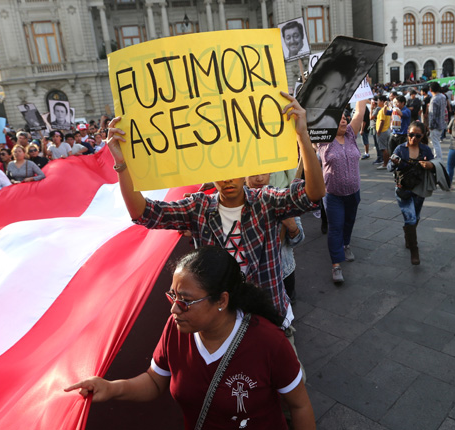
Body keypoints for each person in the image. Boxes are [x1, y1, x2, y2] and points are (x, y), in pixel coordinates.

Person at [105, 91, 325, 335]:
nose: (227, 178)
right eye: (220, 170)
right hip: (219, 328)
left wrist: (302, 136)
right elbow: (144, 214)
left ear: (246, 168)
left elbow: (312, 194)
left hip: (269, 320)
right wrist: (121, 164)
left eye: (234, 168)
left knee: (292, 374)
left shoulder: (267, 201)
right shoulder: (198, 207)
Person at [65, 247, 316, 430]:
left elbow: (300, 406)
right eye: (172, 296)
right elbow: (155, 381)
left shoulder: (268, 342)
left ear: (222, 300)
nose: (174, 309)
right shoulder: (176, 328)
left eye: (185, 301)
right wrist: (110, 388)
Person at [318, 99, 368, 284]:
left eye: (344, 117)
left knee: (349, 222)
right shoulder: (323, 140)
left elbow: (360, 112)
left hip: (353, 192)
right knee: (335, 228)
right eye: (338, 119)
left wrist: (363, 90)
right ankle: (336, 265)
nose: (344, 120)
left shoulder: (351, 135)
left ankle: (346, 245)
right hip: (333, 195)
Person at [246, 173, 304, 301]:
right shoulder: (237, 204)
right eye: (253, 174)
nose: (259, 178)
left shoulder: (281, 200)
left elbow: (298, 239)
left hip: (283, 271)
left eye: (263, 173)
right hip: (250, 278)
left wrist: (292, 226)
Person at [387, 121, 436, 265]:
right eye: (411, 134)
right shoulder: (400, 149)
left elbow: (435, 166)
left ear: (422, 136)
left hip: (419, 189)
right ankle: (414, 250)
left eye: (417, 136)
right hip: (403, 190)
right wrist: (394, 163)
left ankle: (408, 236)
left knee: (416, 216)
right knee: (410, 218)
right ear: (407, 133)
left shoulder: (426, 150)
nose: (413, 138)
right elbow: (389, 167)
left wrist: (430, 165)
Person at [299, 54, 357, 129]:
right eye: (320, 88)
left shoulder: (331, 124)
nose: (321, 100)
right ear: (309, 88)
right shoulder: (293, 119)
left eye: (333, 92)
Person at [428, 81, 447, 161]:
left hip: (435, 125)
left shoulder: (434, 99)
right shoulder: (443, 97)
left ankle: (438, 158)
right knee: (437, 142)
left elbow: (433, 115)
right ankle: (438, 158)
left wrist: (431, 126)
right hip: (441, 123)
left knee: (435, 143)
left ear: (431, 89)